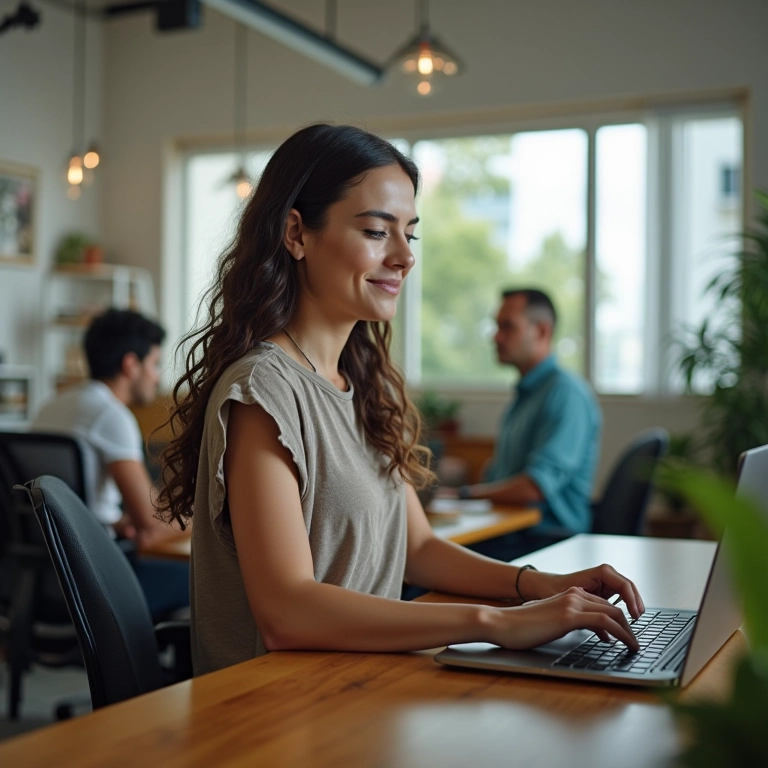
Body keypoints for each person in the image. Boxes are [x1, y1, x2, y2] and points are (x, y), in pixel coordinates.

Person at [156, 123, 642, 677]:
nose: (404, 257)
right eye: (375, 231)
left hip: (362, 688)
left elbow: (419, 547)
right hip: (277, 712)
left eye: (409, 235)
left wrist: (537, 587)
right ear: (296, 234)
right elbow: (286, 612)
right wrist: (496, 623)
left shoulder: (364, 385)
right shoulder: (262, 391)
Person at [32, 308, 189, 621]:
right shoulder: (111, 415)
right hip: (97, 578)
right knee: (205, 580)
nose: (157, 376)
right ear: (131, 364)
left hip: (45, 575)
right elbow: (152, 521)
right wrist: (206, 523)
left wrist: (111, 521)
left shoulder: (50, 406)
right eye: (155, 364)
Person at [453, 289, 602, 561]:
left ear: (542, 331)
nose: (496, 336)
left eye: (507, 326)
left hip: (547, 544)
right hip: (512, 533)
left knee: (424, 569)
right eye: (497, 326)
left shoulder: (565, 394)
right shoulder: (526, 396)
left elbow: (535, 487)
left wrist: (463, 495)